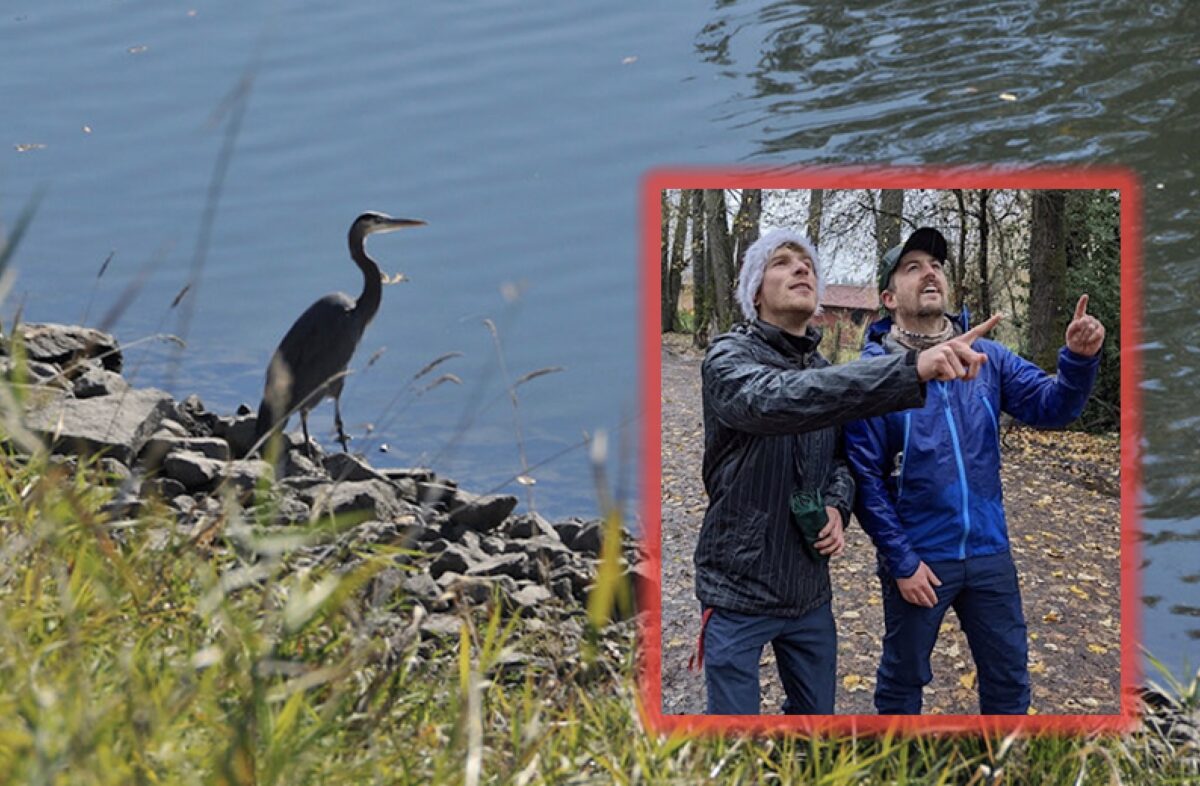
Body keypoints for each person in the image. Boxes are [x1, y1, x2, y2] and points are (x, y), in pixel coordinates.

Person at [692, 227, 1002, 715]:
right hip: (737, 590)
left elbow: (842, 458)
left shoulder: (822, 367)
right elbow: (778, 399)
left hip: (809, 594)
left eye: (809, 264)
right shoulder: (729, 358)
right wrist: (910, 368)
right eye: (783, 262)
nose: (802, 268)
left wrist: (837, 504)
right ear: (755, 291)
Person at [844, 226, 1106, 715]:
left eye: (937, 266)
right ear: (888, 296)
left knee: (1008, 679)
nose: (930, 273)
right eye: (912, 266)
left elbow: (1053, 408)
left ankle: (1001, 763)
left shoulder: (990, 359)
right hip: (922, 559)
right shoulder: (874, 373)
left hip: (989, 551)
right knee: (903, 681)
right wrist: (901, 561)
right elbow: (864, 478)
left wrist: (1078, 361)